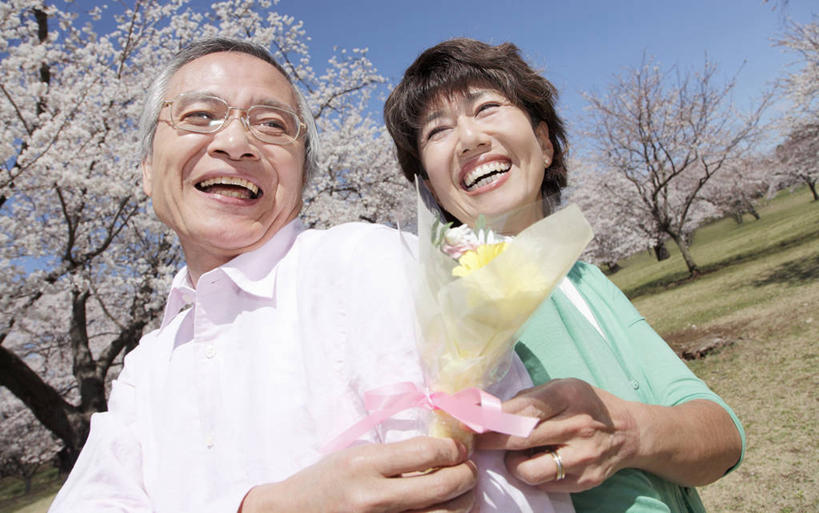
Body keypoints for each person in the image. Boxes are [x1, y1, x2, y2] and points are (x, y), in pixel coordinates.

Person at [48, 37, 574, 513]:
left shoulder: (367, 263)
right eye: (200, 116)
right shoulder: (146, 370)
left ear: (303, 174)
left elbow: (502, 487)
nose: (235, 142)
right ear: (145, 168)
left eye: (272, 125)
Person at [383, 37, 745, 513]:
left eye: (488, 107)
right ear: (429, 187)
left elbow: (723, 439)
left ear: (546, 144)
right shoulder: (431, 304)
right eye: (437, 131)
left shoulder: (586, 281)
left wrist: (630, 434)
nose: (470, 139)